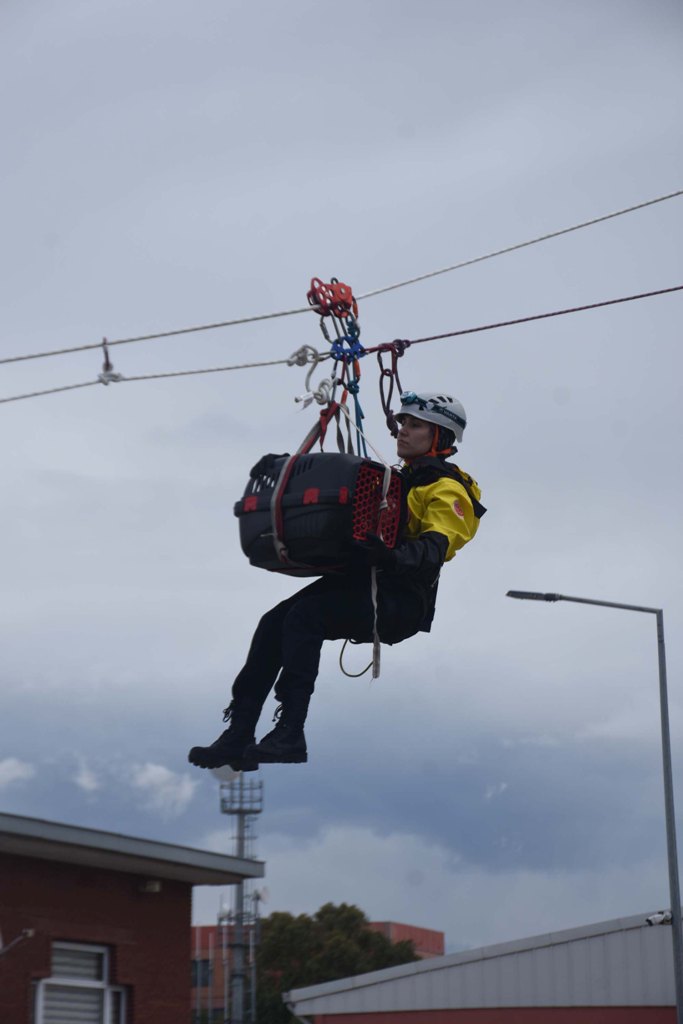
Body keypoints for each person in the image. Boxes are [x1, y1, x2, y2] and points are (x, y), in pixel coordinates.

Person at [188, 391, 485, 771]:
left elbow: (435, 548)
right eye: (402, 423)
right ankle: (239, 732)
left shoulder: (447, 489)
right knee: (273, 623)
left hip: (400, 602)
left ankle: (290, 731)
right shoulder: (397, 479)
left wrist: (391, 555)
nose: (402, 431)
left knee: (304, 618)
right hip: (363, 584)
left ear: (440, 436)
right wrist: (287, 470)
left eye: (415, 425)